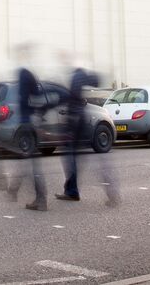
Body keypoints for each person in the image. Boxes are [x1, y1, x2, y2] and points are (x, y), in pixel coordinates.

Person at [7, 48, 47, 211]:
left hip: (27, 121)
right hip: (30, 121)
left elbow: (24, 97)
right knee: (27, 158)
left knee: (31, 160)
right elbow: (37, 95)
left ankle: (40, 199)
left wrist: (26, 115)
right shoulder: (30, 73)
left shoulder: (24, 73)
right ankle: (14, 189)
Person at [56, 58, 99, 202]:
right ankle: (70, 189)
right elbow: (96, 81)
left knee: (69, 156)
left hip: (75, 120)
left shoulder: (76, 76)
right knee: (71, 156)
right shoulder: (80, 75)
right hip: (78, 119)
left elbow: (72, 97)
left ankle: (72, 191)